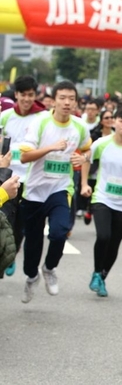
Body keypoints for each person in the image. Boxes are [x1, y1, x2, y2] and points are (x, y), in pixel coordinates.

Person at [19, 81, 92, 303]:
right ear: (53, 100)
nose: (67, 102)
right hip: (34, 190)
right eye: (62, 98)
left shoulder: (80, 126)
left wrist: (82, 159)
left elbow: (87, 150)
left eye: (71, 98)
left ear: (76, 102)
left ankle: (50, 268)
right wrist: (51, 147)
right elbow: (24, 157)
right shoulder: (40, 122)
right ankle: (32, 276)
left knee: (60, 231)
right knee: (32, 244)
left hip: (60, 188)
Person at [80, 108, 122, 297]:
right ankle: (96, 272)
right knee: (103, 236)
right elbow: (86, 159)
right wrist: (84, 184)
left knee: (114, 244)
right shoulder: (102, 143)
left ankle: (102, 277)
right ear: (114, 122)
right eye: (121, 120)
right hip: (102, 198)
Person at [0, 75, 47, 276]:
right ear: (16, 94)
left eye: (30, 95)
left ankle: (14, 250)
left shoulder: (42, 117)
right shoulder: (6, 116)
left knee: (21, 224)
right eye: (23, 94)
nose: (27, 99)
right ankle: (6, 253)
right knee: (7, 219)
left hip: (31, 179)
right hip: (7, 177)